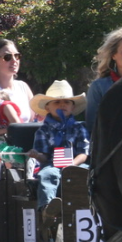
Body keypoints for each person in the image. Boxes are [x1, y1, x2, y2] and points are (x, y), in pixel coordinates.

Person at [27, 80, 90, 222]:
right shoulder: (43, 130)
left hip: (76, 164)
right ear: (48, 108)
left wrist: (72, 165)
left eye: (67, 102)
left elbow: (84, 153)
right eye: (57, 102)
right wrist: (37, 155)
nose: (62, 104)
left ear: (72, 107)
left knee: (88, 175)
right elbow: (44, 157)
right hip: (52, 165)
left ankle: (90, 208)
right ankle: (47, 209)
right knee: (46, 175)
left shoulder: (79, 128)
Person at [0, 38, 37, 123]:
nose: (14, 60)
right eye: (7, 57)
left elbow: (34, 121)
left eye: (17, 56)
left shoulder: (23, 87)